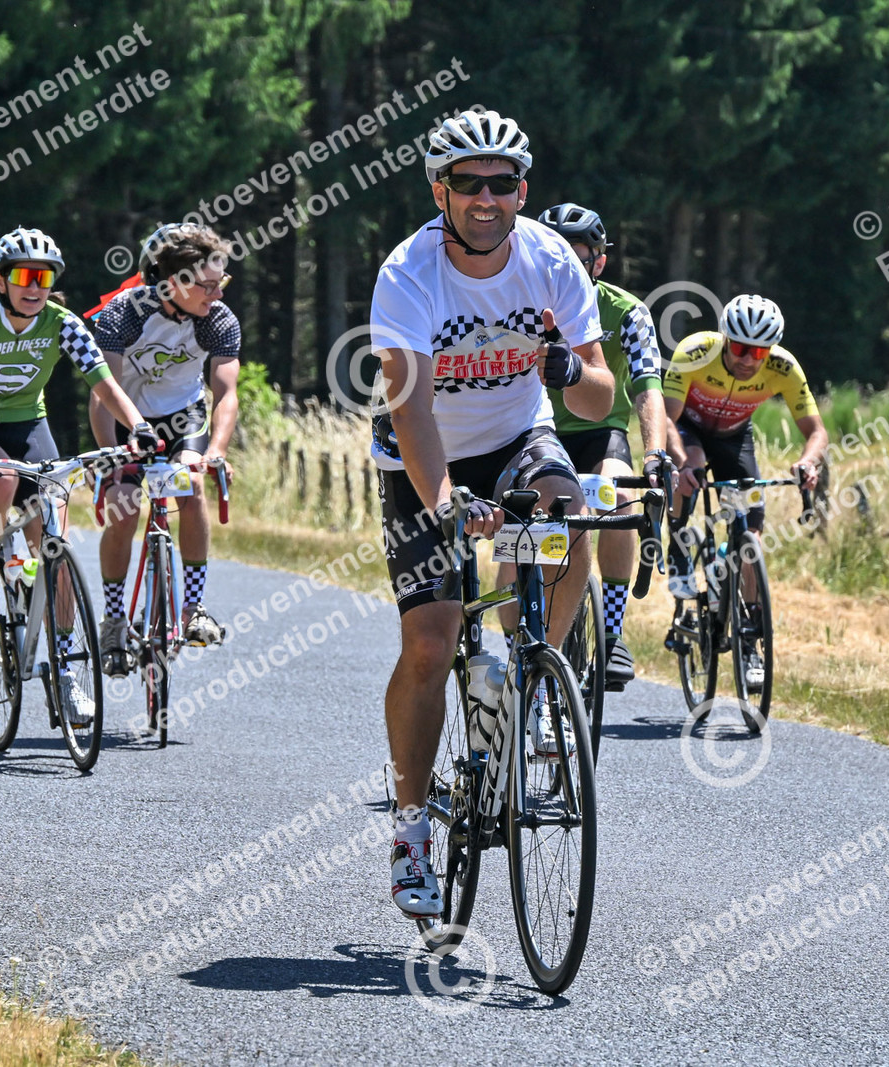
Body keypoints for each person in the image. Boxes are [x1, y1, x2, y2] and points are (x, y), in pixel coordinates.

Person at [369, 109, 613, 918]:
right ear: (439, 191)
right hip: (422, 453)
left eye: (501, 183)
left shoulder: (550, 258)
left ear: (522, 191)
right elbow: (411, 410)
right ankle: (411, 830)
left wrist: (567, 368)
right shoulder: (408, 273)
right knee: (432, 641)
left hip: (515, 438)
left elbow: (597, 395)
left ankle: (533, 675)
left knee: (566, 513)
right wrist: (445, 503)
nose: (485, 198)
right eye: (467, 182)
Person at [0, 227, 153, 727]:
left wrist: (137, 426)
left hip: (29, 426)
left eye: (44, 278)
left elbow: (105, 384)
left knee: (56, 551)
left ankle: (67, 669)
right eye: (24, 276)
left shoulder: (62, 323)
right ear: (0, 281)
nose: (35, 287)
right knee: (4, 479)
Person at [88, 222, 241, 676]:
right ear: (172, 283)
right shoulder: (123, 314)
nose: (218, 294)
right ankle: (114, 620)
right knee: (123, 508)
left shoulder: (218, 319)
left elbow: (226, 394)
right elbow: (103, 393)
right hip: (126, 418)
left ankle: (192, 608)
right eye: (208, 285)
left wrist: (216, 450)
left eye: (221, 281)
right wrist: (112, 456)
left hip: (183, 418)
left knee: (191, 484)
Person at [662, 294, 827, 691]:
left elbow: (816, 431)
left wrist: (808, 462)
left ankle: (750, 642)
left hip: (735, 439)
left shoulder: (784, 368)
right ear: (725, 339)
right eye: (740, 349)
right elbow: (664, 418)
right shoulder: (695, 351)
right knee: (693, 462)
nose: (750, 360)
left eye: (760, 352)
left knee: (751, 536)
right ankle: (679, 547)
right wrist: (681, 464)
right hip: (688, 430)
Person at [537, 203, 671, 690]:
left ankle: (611, 633)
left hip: (600, 433)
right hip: (537, 433)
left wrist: (655, 454)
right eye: (555, 259)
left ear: (600, 261)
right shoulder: (518, 304)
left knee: (619, 496)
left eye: (577, 259)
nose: (566, 270)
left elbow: (648, 387)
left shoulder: (627, 311)